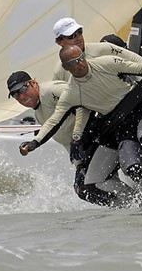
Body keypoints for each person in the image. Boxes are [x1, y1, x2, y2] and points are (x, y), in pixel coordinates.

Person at [19, 45, 142, 207]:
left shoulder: (105, 63)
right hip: (122, 124)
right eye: (73, 62)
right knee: (132, 168)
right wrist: (34, 142)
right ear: (66, 67)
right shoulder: (72, 93)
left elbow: (139, 68)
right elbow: (54, 120)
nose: (80, 64)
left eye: (81, 58)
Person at [7, 71, 117, 206]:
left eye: (23, 89)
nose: (21, 96)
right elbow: (65, 140)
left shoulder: (50, 91)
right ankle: (128, 206)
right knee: (82, 190)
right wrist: (78, 163)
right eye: (15, 94)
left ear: (34, 83)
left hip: (100, 134)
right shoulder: (39, 114)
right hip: (85, 148)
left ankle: (132, 205)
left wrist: (77, 135)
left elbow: (82, 100)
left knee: (87, 186)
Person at [52, 18, 142, 82]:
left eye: (79, 32)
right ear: (60, 42)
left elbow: (136, 60)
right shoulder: (60, 71)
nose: (78, 38)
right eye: (71, 36)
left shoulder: (104, 48)